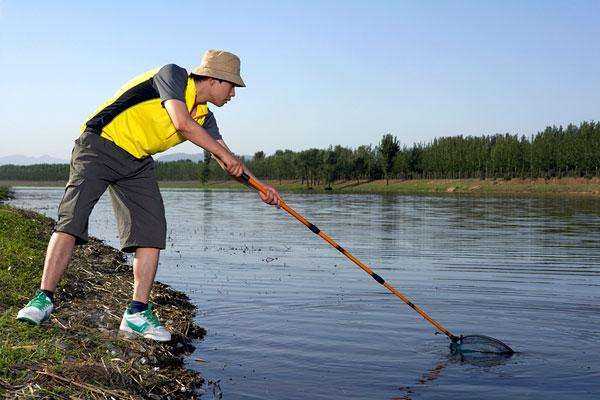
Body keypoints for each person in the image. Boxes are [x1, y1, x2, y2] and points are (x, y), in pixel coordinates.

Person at [16, 50, 282, 341]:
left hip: (137, 161)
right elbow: (181, 123)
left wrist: (261, 188)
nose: (234, 94)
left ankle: (136, 313)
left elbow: (230, 162)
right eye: (232, 86)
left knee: (152, 230)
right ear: (216, 79)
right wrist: (221, 154)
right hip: (100, 144)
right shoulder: (173, 75)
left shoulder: (205, 117)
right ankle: (42, 299)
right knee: (73, 218)